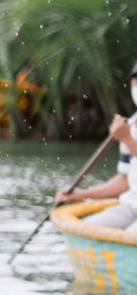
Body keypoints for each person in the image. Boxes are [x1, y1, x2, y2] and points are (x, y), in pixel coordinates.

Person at [55, 63, 137, 230]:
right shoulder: (129, 125)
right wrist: (81, 195)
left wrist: (127, 139)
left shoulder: (126, 133)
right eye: (136, 81)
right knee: (87, 227)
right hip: (131, 205)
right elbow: (124, 180)